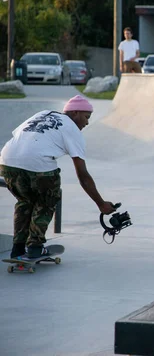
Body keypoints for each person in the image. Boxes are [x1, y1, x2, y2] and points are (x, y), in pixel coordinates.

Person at [0, 95, 116, 259]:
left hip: (7, 161)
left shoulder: (43, 113)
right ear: (75, 112)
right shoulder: (72, 129)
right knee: (47, 200)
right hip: (36, 162)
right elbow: (83, 176)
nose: (87, 123)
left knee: (25, 201)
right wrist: (101, 203)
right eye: (86, 117)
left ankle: (17, 248)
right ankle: (35, 247)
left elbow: (19, 134)